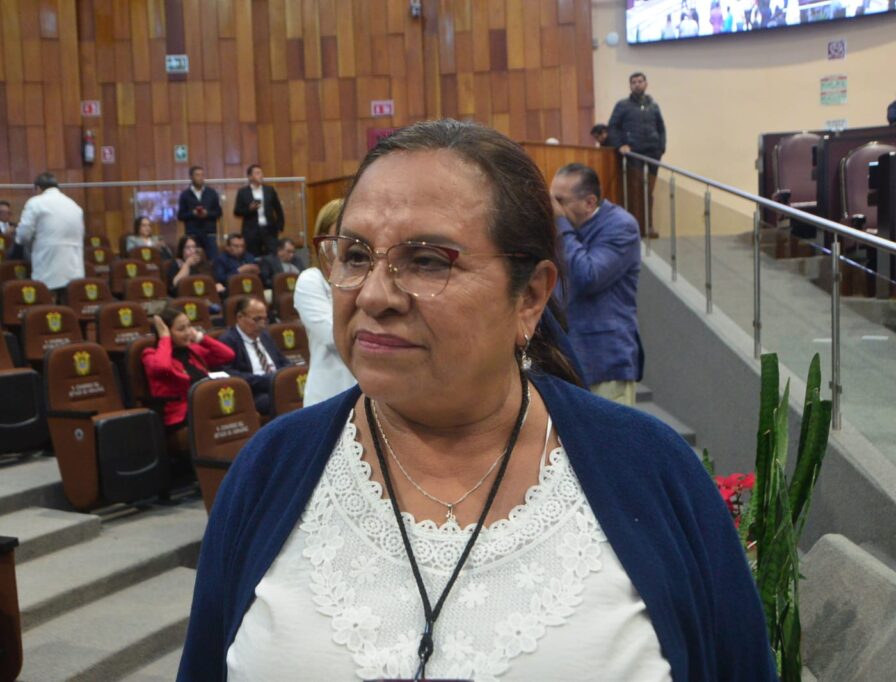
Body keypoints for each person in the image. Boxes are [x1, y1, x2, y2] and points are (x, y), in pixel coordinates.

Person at [178, 120, 776, 681]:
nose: (375, 295)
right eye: (356, 255)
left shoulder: (651, 471)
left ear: (530, 297)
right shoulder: (270, 471)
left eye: (426, 260)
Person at [550, 163, 643, 405]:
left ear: (590, 203)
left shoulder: (621, 226)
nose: (553, 208)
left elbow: (588, 276)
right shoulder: (563, 229)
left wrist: (561, 225)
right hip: (565, 362)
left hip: (605, 363)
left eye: (560, 200)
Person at [142, 306, 236, 453]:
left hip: (205, 407)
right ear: (166, 332)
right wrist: (165, 338)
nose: (187, 332)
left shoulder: (193, 351)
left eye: (189, 327)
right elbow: (163, 367)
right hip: (179, 416)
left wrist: (200, 338)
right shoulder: (150, 355)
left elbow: (228, 355)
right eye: (181, 329)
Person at [295, 199, 357, 407]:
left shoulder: (363, 275)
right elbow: (333, 336)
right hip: (328, 391)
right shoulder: (311, 279)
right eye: (339, 232)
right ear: (323, 238)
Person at [608, 72, 667, 237]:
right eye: (633, 82)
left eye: (640, 81)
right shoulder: (622, 105)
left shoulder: (653, 106)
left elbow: (661, 128)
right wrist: (620, 145)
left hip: (653, 153)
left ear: (646, 84)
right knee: (636, 192)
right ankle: (636, 228)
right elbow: (612, 127)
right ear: (630, 85)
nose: (637, 84)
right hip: (634, 154)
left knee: (649, 192)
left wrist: (661, 147)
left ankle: (649, 227)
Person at [15, 172, 85, 300]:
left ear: (37, 188)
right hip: (74, 268)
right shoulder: (74, 205)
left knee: (48, 307)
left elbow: (23, 235)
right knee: (70, 306)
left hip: (48, 264)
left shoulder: (35, 202)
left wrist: (25, 243)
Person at [217, 296, 290, 415]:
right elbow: (229, 373)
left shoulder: (265, 336)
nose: (262, 325)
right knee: (280, 401)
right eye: (257, 319)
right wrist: (267, 380)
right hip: (254, 393)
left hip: (278, 386)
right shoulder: (228, 340)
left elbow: (283, 361)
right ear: (240, 317)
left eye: (264, 319)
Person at [233, 164, 285, 257]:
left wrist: (279, 226)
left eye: (261, 173)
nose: (261, 175)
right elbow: (237, 211)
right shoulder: (243, 192)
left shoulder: (269, 190)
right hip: (251, 231)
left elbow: (278, 209)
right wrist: (249, 209)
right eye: (257, 173)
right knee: (253, 256)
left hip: (269, 230)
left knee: (273, 256)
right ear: (250, 177)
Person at [177, 165, 222, 261]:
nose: (200, 178)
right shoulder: (185, 195)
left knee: (214, 260)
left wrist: (207, 213)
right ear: (191, 177)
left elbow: (218, 212)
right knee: (194, 260)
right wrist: (193, 213)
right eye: (197, 175)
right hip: (192, 234)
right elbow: (180, 215)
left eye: (202, 175)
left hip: (209, 233)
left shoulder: (212, 193)